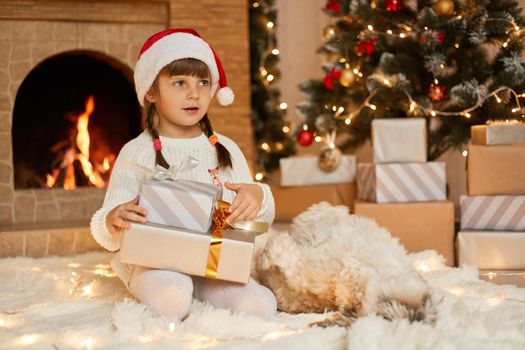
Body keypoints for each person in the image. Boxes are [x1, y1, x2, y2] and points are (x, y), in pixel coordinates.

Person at [90, 28, 277, 320]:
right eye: (180, 82)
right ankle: (179, 288)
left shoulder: (226, 149)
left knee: (260, 306)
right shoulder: (136, 153)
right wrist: (113, 219)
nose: (194, 93)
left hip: (215, 259)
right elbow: (109, 235)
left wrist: (259, 197)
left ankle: (201, 288)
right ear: (151, 91)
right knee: (172, 298)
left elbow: (257, 225)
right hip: (154, 261)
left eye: (203, 82)